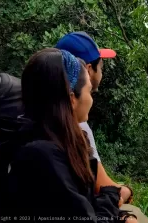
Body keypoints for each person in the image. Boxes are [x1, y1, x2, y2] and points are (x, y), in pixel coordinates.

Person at [2, 48, 136, 223]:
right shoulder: (42, 156)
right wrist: (111, 195)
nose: (91, 99)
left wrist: (121, 216)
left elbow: (78, 207)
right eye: (89, 91)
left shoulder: (54, 142)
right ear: (72, 99)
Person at [55, 32, 132, 197]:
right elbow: (101, 187)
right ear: (88, 69)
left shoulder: (44, 119)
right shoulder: (77, 126)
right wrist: (128, 191)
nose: (102, 72)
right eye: (101, 66)